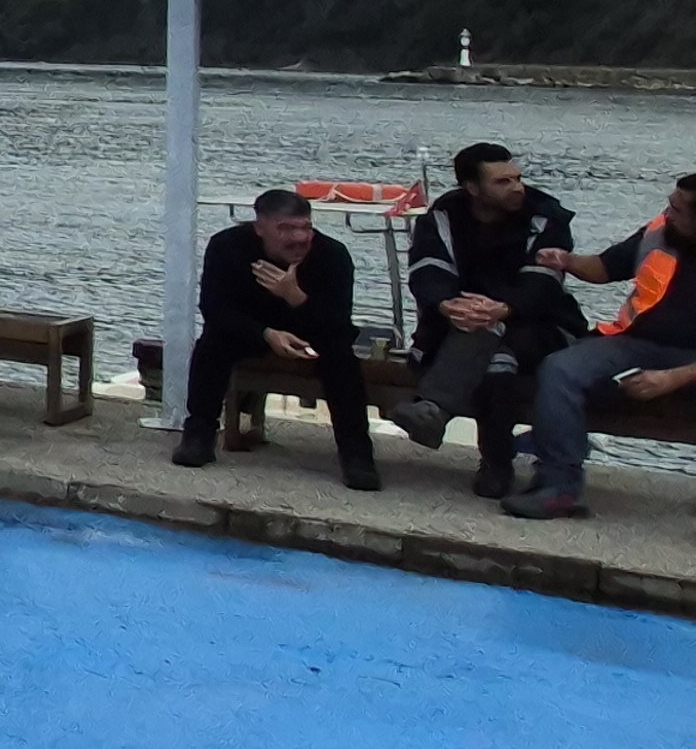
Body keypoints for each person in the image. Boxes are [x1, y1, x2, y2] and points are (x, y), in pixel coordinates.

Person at [391, 142, 585, 495]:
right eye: (503, 182)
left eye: (517, 178)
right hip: (463, 325)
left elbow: (543, 285)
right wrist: (448, 305)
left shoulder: (546, 218)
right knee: (496, 358)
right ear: (472, 188)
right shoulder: (443, 217)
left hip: (541, 325)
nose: (517, 188)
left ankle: (436, 409)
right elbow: (427, 270)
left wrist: (504, 309)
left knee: (494, 337)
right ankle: (496, 465)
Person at [500, 173, 696, 519]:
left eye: (677, 209)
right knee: (560, 369)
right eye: (670, 203)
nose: (668, 212)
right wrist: (568, 261)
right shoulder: (659, 230)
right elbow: (606, 267)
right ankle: (559, 486)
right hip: (634, 342)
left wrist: (672, 378)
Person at [170, 189, 382, 491]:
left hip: (312, 329)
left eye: (305, 227)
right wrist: (266, 334)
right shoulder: (228, 246)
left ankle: (357, 454)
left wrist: (295, 298)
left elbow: (338, 325)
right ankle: (198, 434)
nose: (298, 238)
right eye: (286, 229)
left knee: (341, 359)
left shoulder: (332, 255)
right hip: (254, 329)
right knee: (213, 343)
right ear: (260, 228)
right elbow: (215, 309)